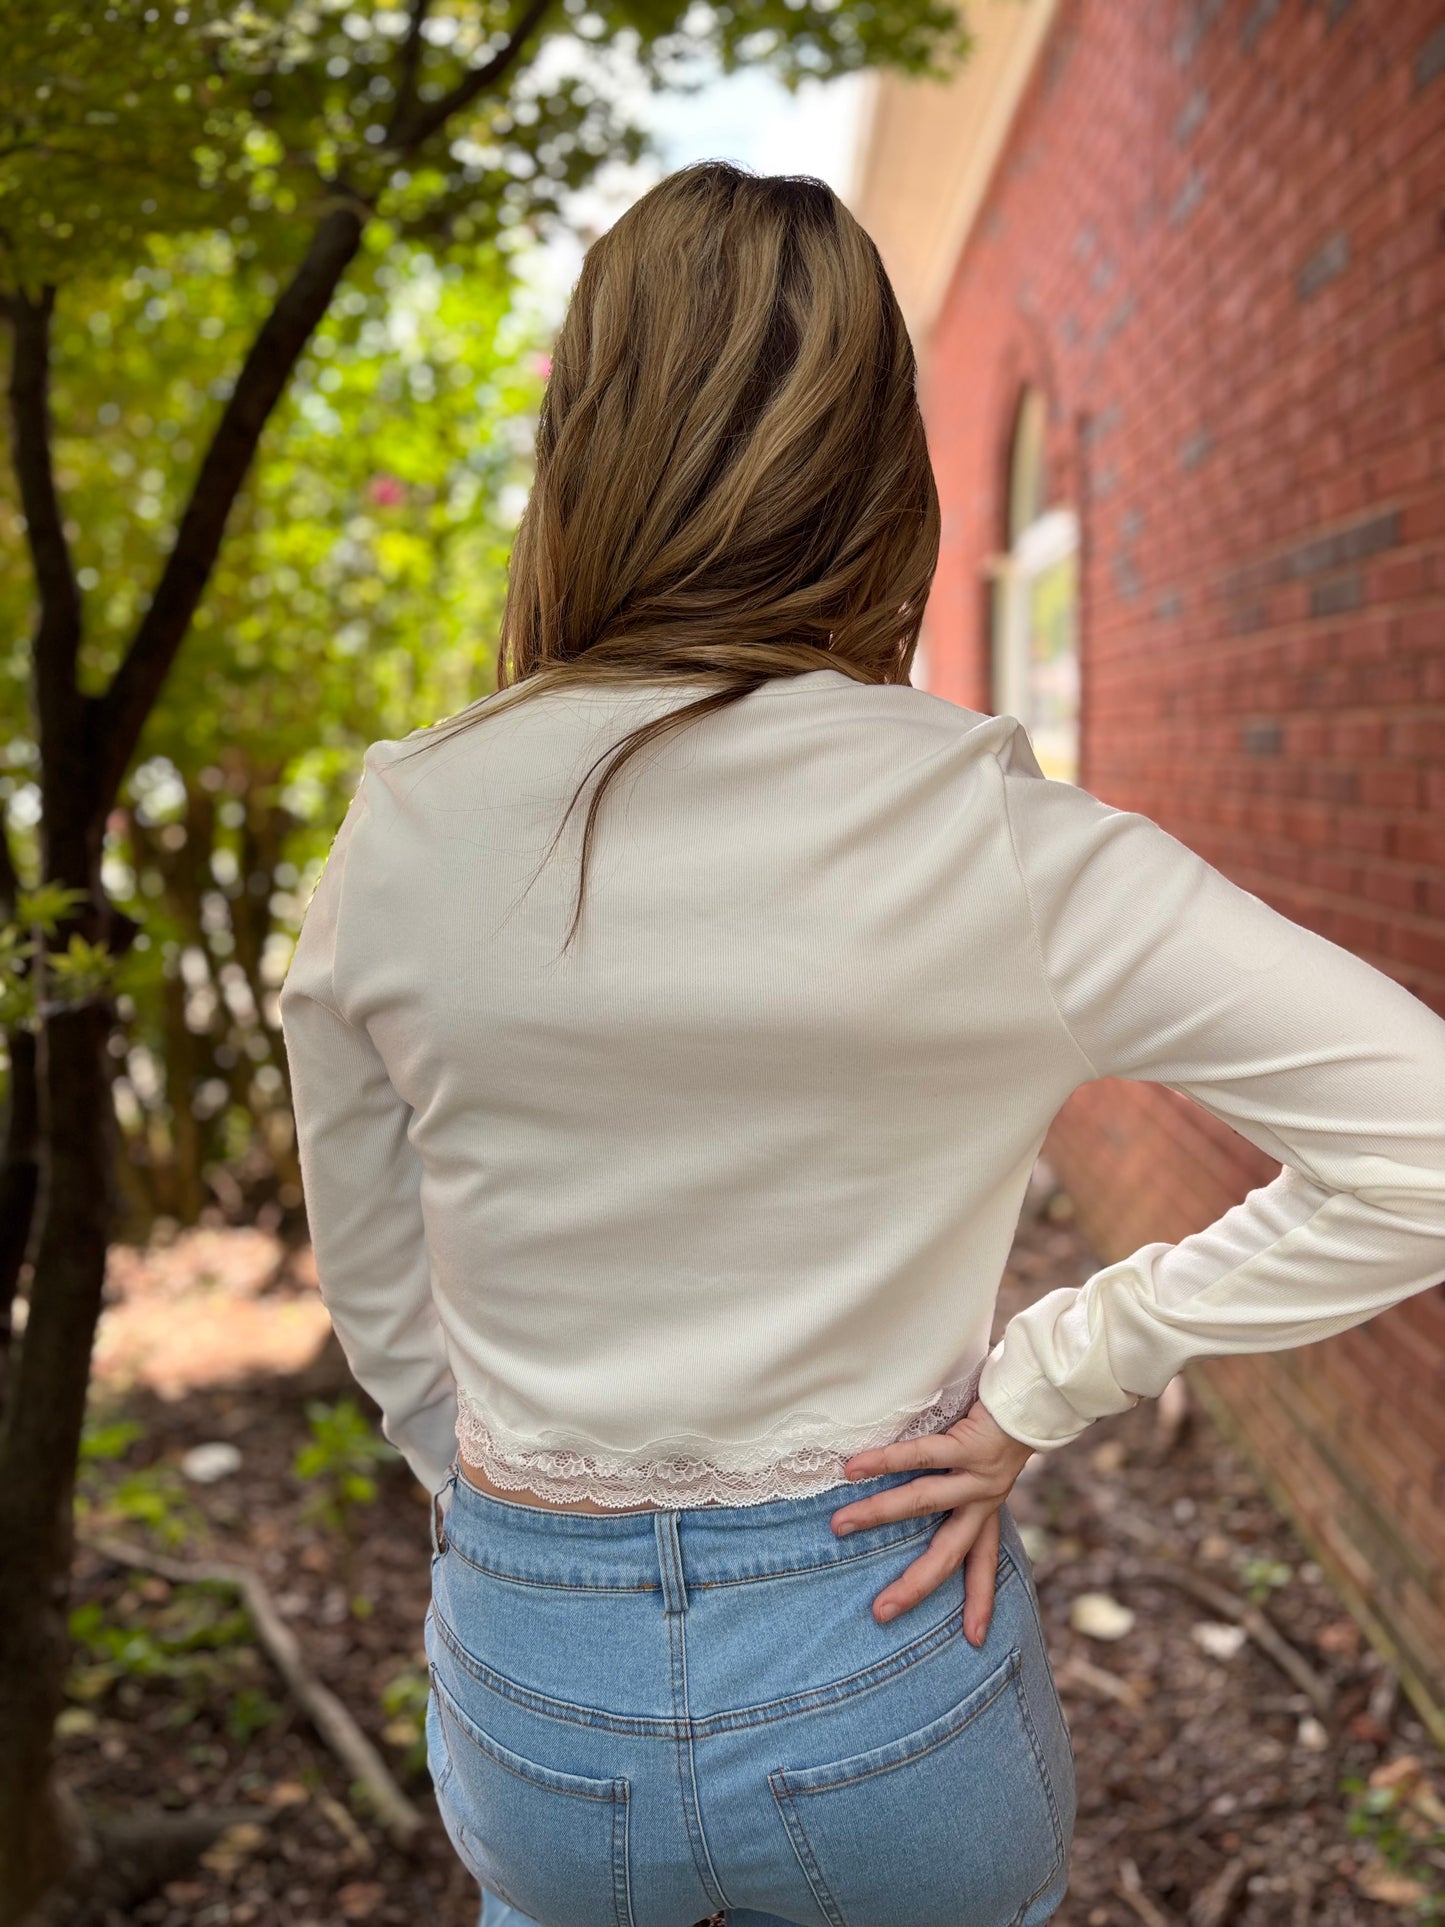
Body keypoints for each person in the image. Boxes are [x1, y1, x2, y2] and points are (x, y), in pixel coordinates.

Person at [277, 160, 1445, 1927]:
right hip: (882, 1641)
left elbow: (373, 1280)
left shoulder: (407, 827)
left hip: (531, 1675)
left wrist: (489, 1494)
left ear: (578, 446)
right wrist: (1054, 1375)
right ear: (878, 467)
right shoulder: (988, 835)